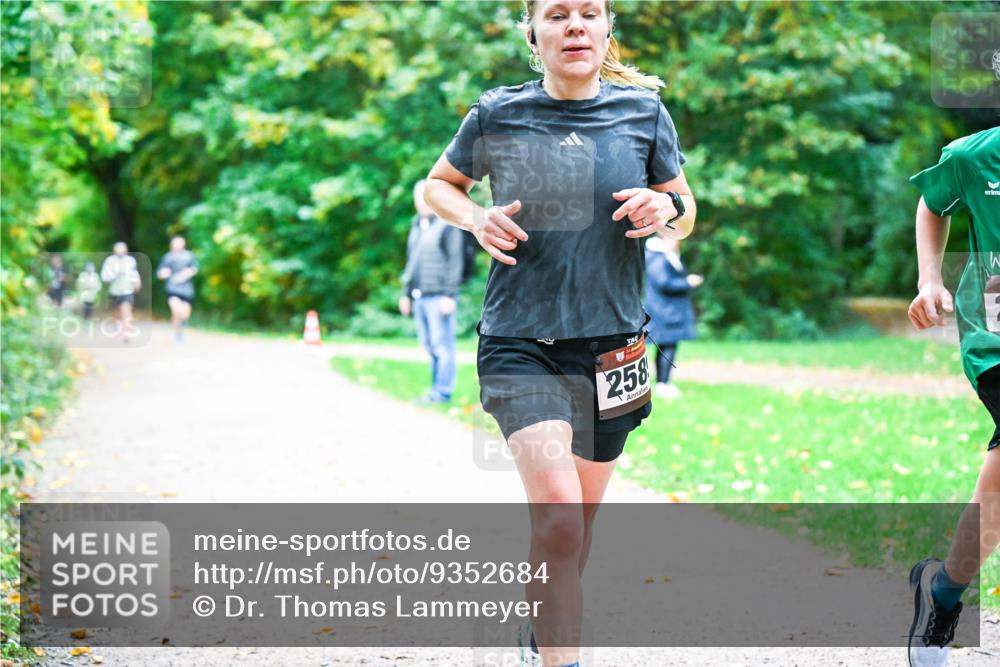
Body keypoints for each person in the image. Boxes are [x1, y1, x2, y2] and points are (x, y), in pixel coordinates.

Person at [423, 2, 695, 665]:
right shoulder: (498, 113)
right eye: (557, 14)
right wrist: (474, 216)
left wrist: (669, 206)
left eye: (589, 13)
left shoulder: (643, 114)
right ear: (533, 35)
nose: (574, 25)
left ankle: (543, 629)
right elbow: (435, 186)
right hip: (522, 338)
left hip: (615, 345)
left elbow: (684, 211)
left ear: (607, 32)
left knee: (577, 529)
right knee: (561, 516)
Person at [906, 125, 1000, 667]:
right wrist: (929, 278)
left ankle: (941, 590)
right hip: (995, 341)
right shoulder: (974, 156)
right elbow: (932, 202)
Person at [399, 179, 465, 403]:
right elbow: (412, 263)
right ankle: (434, 391)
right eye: (420, 198)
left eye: (427, 197)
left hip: (439, 296)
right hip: (419, 296)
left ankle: (443, 393)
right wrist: (406, 293)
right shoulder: (416, 225)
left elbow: (456, 262)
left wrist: (450, 295)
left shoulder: (447, 224)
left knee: (443, 346)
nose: (423, 203)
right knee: (429, 346)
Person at [644, 232, 702, 400]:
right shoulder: (657, 257)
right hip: (663, 311)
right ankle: (663, 384)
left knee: (667, 346)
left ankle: (663, 382)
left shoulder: (665, 256)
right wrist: (687, 282)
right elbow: (664, 283)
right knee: (667, 346)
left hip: (668, 310)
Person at [157, 236, 198, 342]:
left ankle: (182, 324)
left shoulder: (189, 256)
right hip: (172, 289)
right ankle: (177, 334)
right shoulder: (168, 257)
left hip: (186, 290)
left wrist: (184, 275)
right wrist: (164, 273)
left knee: (184, 314)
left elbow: (194, 269)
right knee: (176, 311)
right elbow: (160, 272)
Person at [100, 242, 141, 342]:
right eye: (118, 249)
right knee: (117, 312)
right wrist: (115, 274)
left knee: (127, 310)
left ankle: (126, 333)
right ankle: (118, 326)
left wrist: (137, 282)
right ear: (114, 250)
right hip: (114, 291)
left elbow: (134, 273)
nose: (121, 251)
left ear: (126, 250)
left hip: (127, 290)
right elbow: (104, 277)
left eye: (123, 249)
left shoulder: (130, 260)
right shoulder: (109, 261)